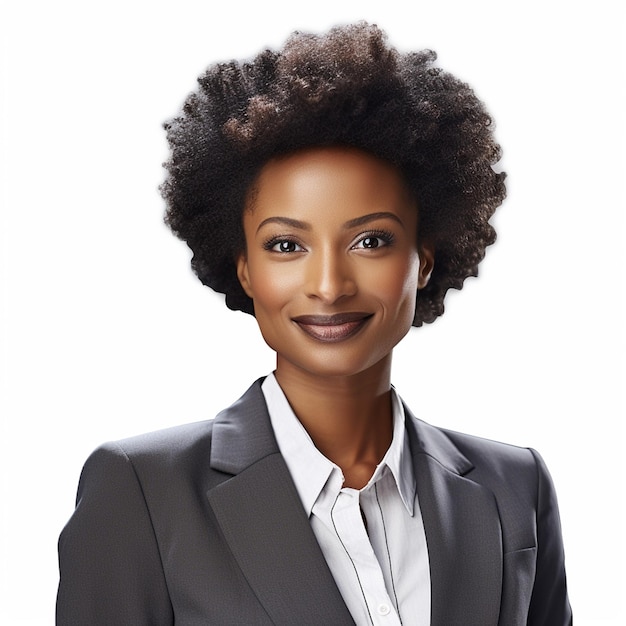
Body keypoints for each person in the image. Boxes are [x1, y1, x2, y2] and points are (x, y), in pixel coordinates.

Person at [56, 22, 572, 625]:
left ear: (423, 259)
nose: (329, 284)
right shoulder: (142, 491)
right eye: (285, 246)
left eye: (371, 240)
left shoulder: (516, 487)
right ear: (243, 266)